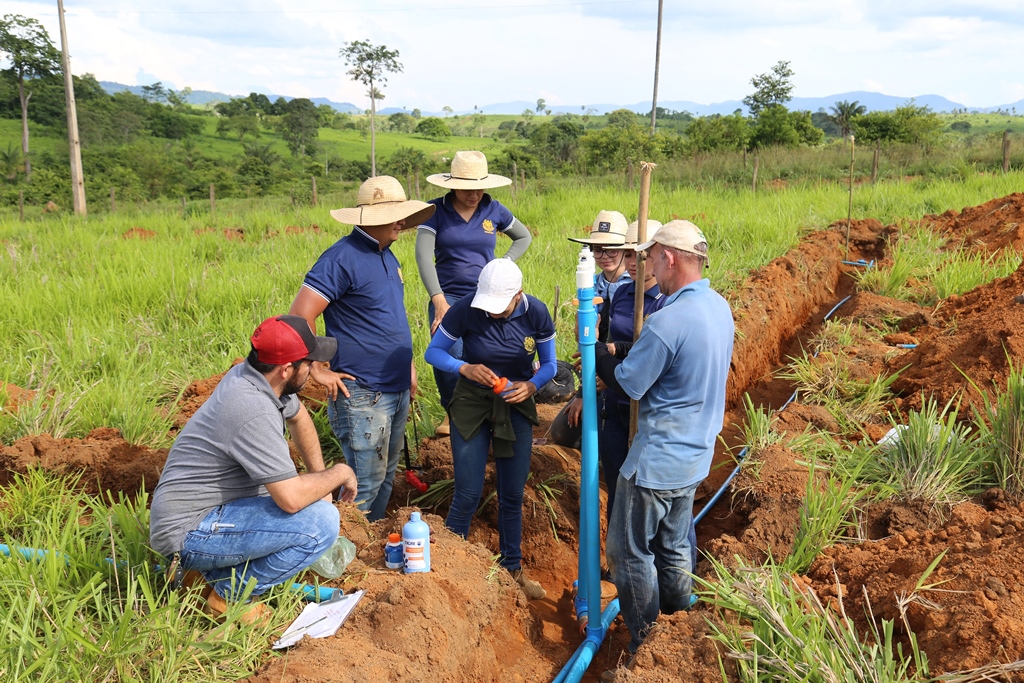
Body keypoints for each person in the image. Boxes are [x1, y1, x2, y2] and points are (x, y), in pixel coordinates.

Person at [150, 315, 359, 622]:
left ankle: (205, 578)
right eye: (308, 363)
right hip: (188, 532)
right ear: (287, 369)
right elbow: (290, 499)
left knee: (315, 504)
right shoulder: (251, 409)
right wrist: (338, 474)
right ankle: (228, 596)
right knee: (321, 524)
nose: (314, 369)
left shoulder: (253, 376)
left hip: (211, 511)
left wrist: (319, 482)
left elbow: (299, 418)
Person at [594, 220, 734, 663]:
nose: (647, 265)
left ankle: (648, 643)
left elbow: (628, 385)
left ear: (669, 258)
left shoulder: (669, 319)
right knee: (673, 546)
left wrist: (594, 352)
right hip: (697, 455)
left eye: (651, 256)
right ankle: (681, 622)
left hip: (657, 459)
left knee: (627, 551)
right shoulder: (719, 307)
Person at [289, 176, 434, 522]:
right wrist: (316, 368)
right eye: (394, 215)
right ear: (371, 220)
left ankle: (370, 549)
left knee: (385, 478)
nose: (401, 221)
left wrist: (408, 366)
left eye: (403, 214)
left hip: (395, 387)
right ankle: (347, 560)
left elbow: (389, 318)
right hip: (362, 392)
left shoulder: (390, 257)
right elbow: (300, 315)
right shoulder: (341, 258)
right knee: (363, 485)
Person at [423, 258, 556, 600]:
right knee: (467, 492)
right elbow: (433, 353)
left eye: (500, 308)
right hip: (471, 403)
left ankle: (513, 569)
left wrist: (532, 386)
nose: (493, 314)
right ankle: (453, 574)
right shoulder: (467, 309)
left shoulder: (536, 313)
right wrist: (463, 368)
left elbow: (551, 364)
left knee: (512, 494)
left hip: (515, 403)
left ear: (518, 295)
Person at [417, 151, 533, 435]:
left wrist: (503, 263)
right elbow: (422, 256)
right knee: (450, 352)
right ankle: (453, 411)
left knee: (488, 350)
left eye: (480, 187)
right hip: (449, 296)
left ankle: (491, 409)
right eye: (468, 188)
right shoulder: (434, 211)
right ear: (453, 185)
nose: (475, 193)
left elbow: (524, 236)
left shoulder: (494, 210)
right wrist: (439, 299)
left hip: (488, 295)